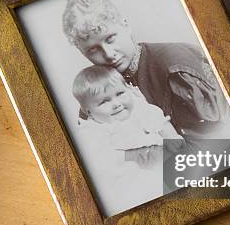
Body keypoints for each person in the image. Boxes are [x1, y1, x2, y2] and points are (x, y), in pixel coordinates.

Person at [62, 0, 230, 150]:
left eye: (110, 39)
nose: (108, 55)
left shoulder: (176, 67)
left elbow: (220, 142)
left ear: (125, 25)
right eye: (93, 50)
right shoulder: (98, 91)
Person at [71, 65, 181, 215]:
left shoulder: (140, 110)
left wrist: (172, 138)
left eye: (120, 93)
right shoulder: (95, 130)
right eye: (104, 102)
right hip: (129, 173)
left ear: (128, 90)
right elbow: (104, 162)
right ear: (88, 112)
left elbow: (160, 122)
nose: (116, 104)